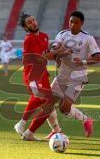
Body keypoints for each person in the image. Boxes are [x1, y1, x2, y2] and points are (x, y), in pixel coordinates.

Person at [46, 11, 100, 138]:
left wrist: (83, 61)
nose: (72, 25)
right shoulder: (62, 35)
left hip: (78, 78)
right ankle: (56, 131)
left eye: (76, 22)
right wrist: (60, 53)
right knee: (46, 104)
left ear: (81, 23)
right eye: (71, 22)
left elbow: (98, 57)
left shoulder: (87, 38)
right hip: (62, 76)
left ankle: (86, 120)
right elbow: (53, 52)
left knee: (64, 109)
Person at [14, 12, 62, 141]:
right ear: (25, 28)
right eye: (29, 22)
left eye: (33, 20)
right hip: (33, 75)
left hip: (43, 74)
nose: (33, 23)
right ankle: (22, 123)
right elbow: (40, 58)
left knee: (48, 105)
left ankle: (33, 133)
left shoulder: (44, 36)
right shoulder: (28, 39)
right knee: (41, 99)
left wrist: (56, 53)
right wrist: (56, 52)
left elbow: (45, 54)